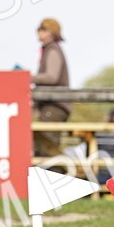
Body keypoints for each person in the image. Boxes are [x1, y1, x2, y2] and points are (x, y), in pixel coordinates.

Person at [32, 18, 70, 157]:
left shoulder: (52, 50)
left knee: (47, 148)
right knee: (45, 147)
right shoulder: (51, 49)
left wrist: (30, 78)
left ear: (49, 32)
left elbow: (52, 77)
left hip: (54, 105)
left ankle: (61, 168)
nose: (38, 32)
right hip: (52, 105)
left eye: (42, 29)